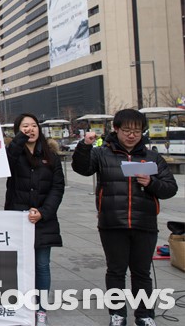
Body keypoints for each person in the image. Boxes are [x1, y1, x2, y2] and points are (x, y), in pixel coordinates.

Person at [72, 109, 178, 326]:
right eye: (127, 130)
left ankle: (145, 315)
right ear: (116, 129)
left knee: (142, 273)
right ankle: (117, 314)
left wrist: (151, 183)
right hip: (112, 223)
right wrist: (84, 146)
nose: (132, 135)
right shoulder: (102, 153)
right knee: (116, 271)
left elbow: (170, 188)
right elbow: (81, 168)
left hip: (144, 224)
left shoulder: (152, 157)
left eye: (136, 131)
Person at [5, 113, 65, 326]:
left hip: (43, 219)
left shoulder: (51, 155)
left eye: (33, 125)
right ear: (17, 130)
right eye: (25, 126)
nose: (30, 129)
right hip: (18, 218)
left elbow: (57, 187)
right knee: (17, 265)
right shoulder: (14, 152)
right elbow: (6, 163)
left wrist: (44, 211)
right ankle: (19, 306)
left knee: (42, 265)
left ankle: (40, 309)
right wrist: (19, 140)